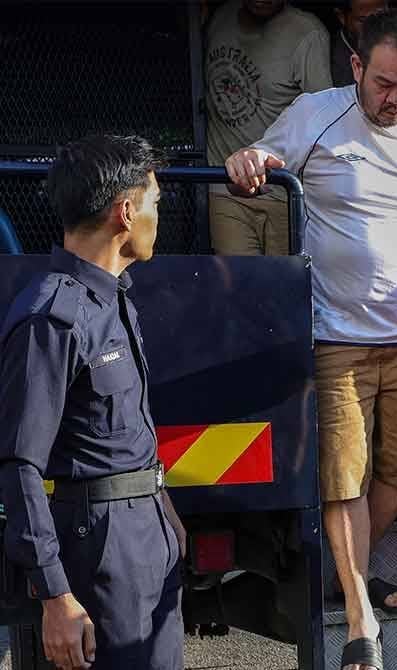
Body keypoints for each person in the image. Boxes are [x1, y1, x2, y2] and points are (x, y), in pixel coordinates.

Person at [225, 9, 397, 670]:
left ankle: (343, 574)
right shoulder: (317, 114)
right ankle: (360, 620)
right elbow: (262, 158)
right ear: (356, 66)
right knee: (343, 476)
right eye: (385, 83)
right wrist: (248, 159)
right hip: (335, 339)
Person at [0, 135, 186, 670]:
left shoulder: (113, 299)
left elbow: (127, 431)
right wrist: (55, 596)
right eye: (154, 202)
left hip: (147, 534)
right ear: (124, 213)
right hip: (99, 550)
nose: (157, 215)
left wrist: (166, 514)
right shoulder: (52, 319)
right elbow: (18, 464)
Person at [205, 0, 332, 256]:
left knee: (283, 278)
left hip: (285, 192)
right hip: (226, 187)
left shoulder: (307, 32)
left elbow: (324, 115)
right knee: (236, 278)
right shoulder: (220, 19)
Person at [330, 0, 388, 87]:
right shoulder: (330, 58)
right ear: (341, 17)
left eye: (380, 17)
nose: (374, 28)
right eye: (362, 20)